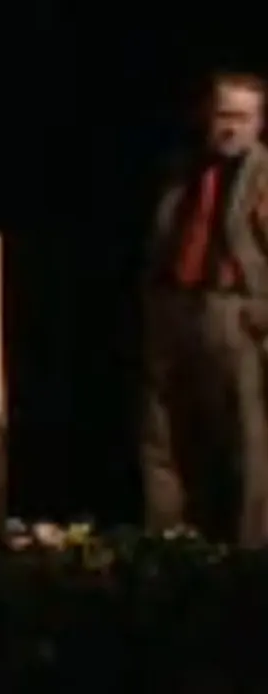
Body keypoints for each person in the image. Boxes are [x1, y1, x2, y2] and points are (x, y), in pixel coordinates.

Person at [140, 73, 268, 546]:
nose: (231, 127)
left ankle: (250, 553)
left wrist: (259, 314)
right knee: (162, 434)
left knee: (245, 441)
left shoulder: (263, 177)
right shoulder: (182, 170)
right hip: (173, 307)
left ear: (259, 123)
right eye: (223, 115)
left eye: (243, 117)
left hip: (231, 310)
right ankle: (167, 545)